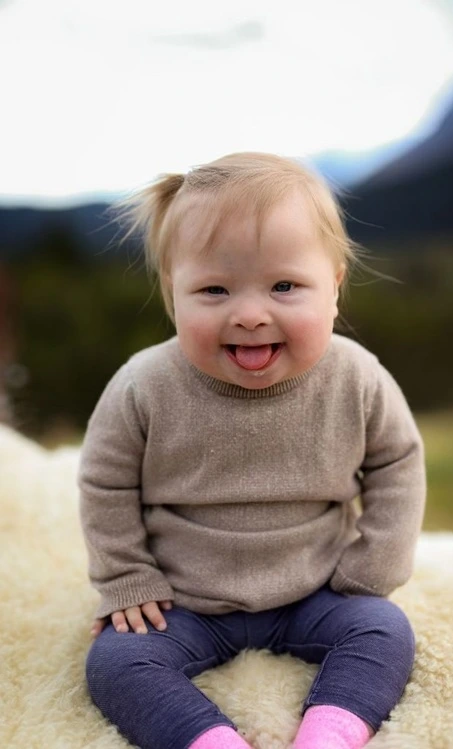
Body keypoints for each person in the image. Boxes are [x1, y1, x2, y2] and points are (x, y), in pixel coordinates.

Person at [79, 152, 426, 749]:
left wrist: (372, 568)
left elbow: (397, 462)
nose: (248, 314)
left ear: (334, 287)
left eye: (285, 286)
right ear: (173, 292)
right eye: (213, 289)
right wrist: (128, 578)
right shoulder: (144, 385)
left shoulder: (357, 378)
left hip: (317, 591)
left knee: (385, 631)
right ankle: (208, 739)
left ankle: (331, 732)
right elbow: (105, 484)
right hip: (183, 600)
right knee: (113, 663)